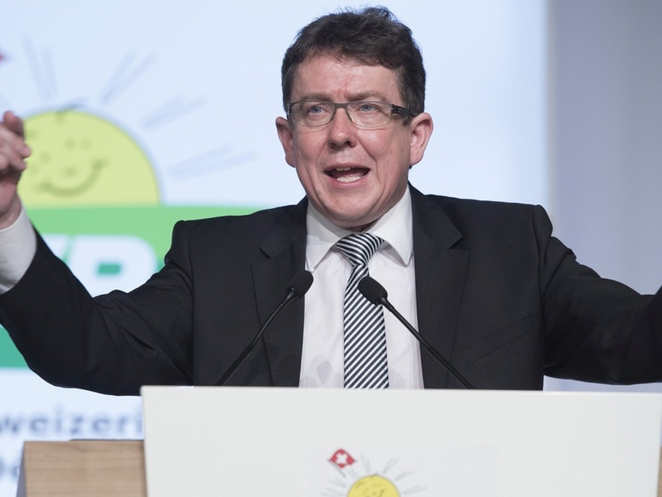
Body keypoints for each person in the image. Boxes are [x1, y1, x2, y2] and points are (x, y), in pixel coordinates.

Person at [0, 7, 660, 395]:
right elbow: (85, 346)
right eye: (316, 110)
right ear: (288, 140)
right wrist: (5, 219)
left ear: (416, 135)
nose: (341, 133)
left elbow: (633, 339)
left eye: (368, 107)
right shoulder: (218, 261)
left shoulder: (509, 250)